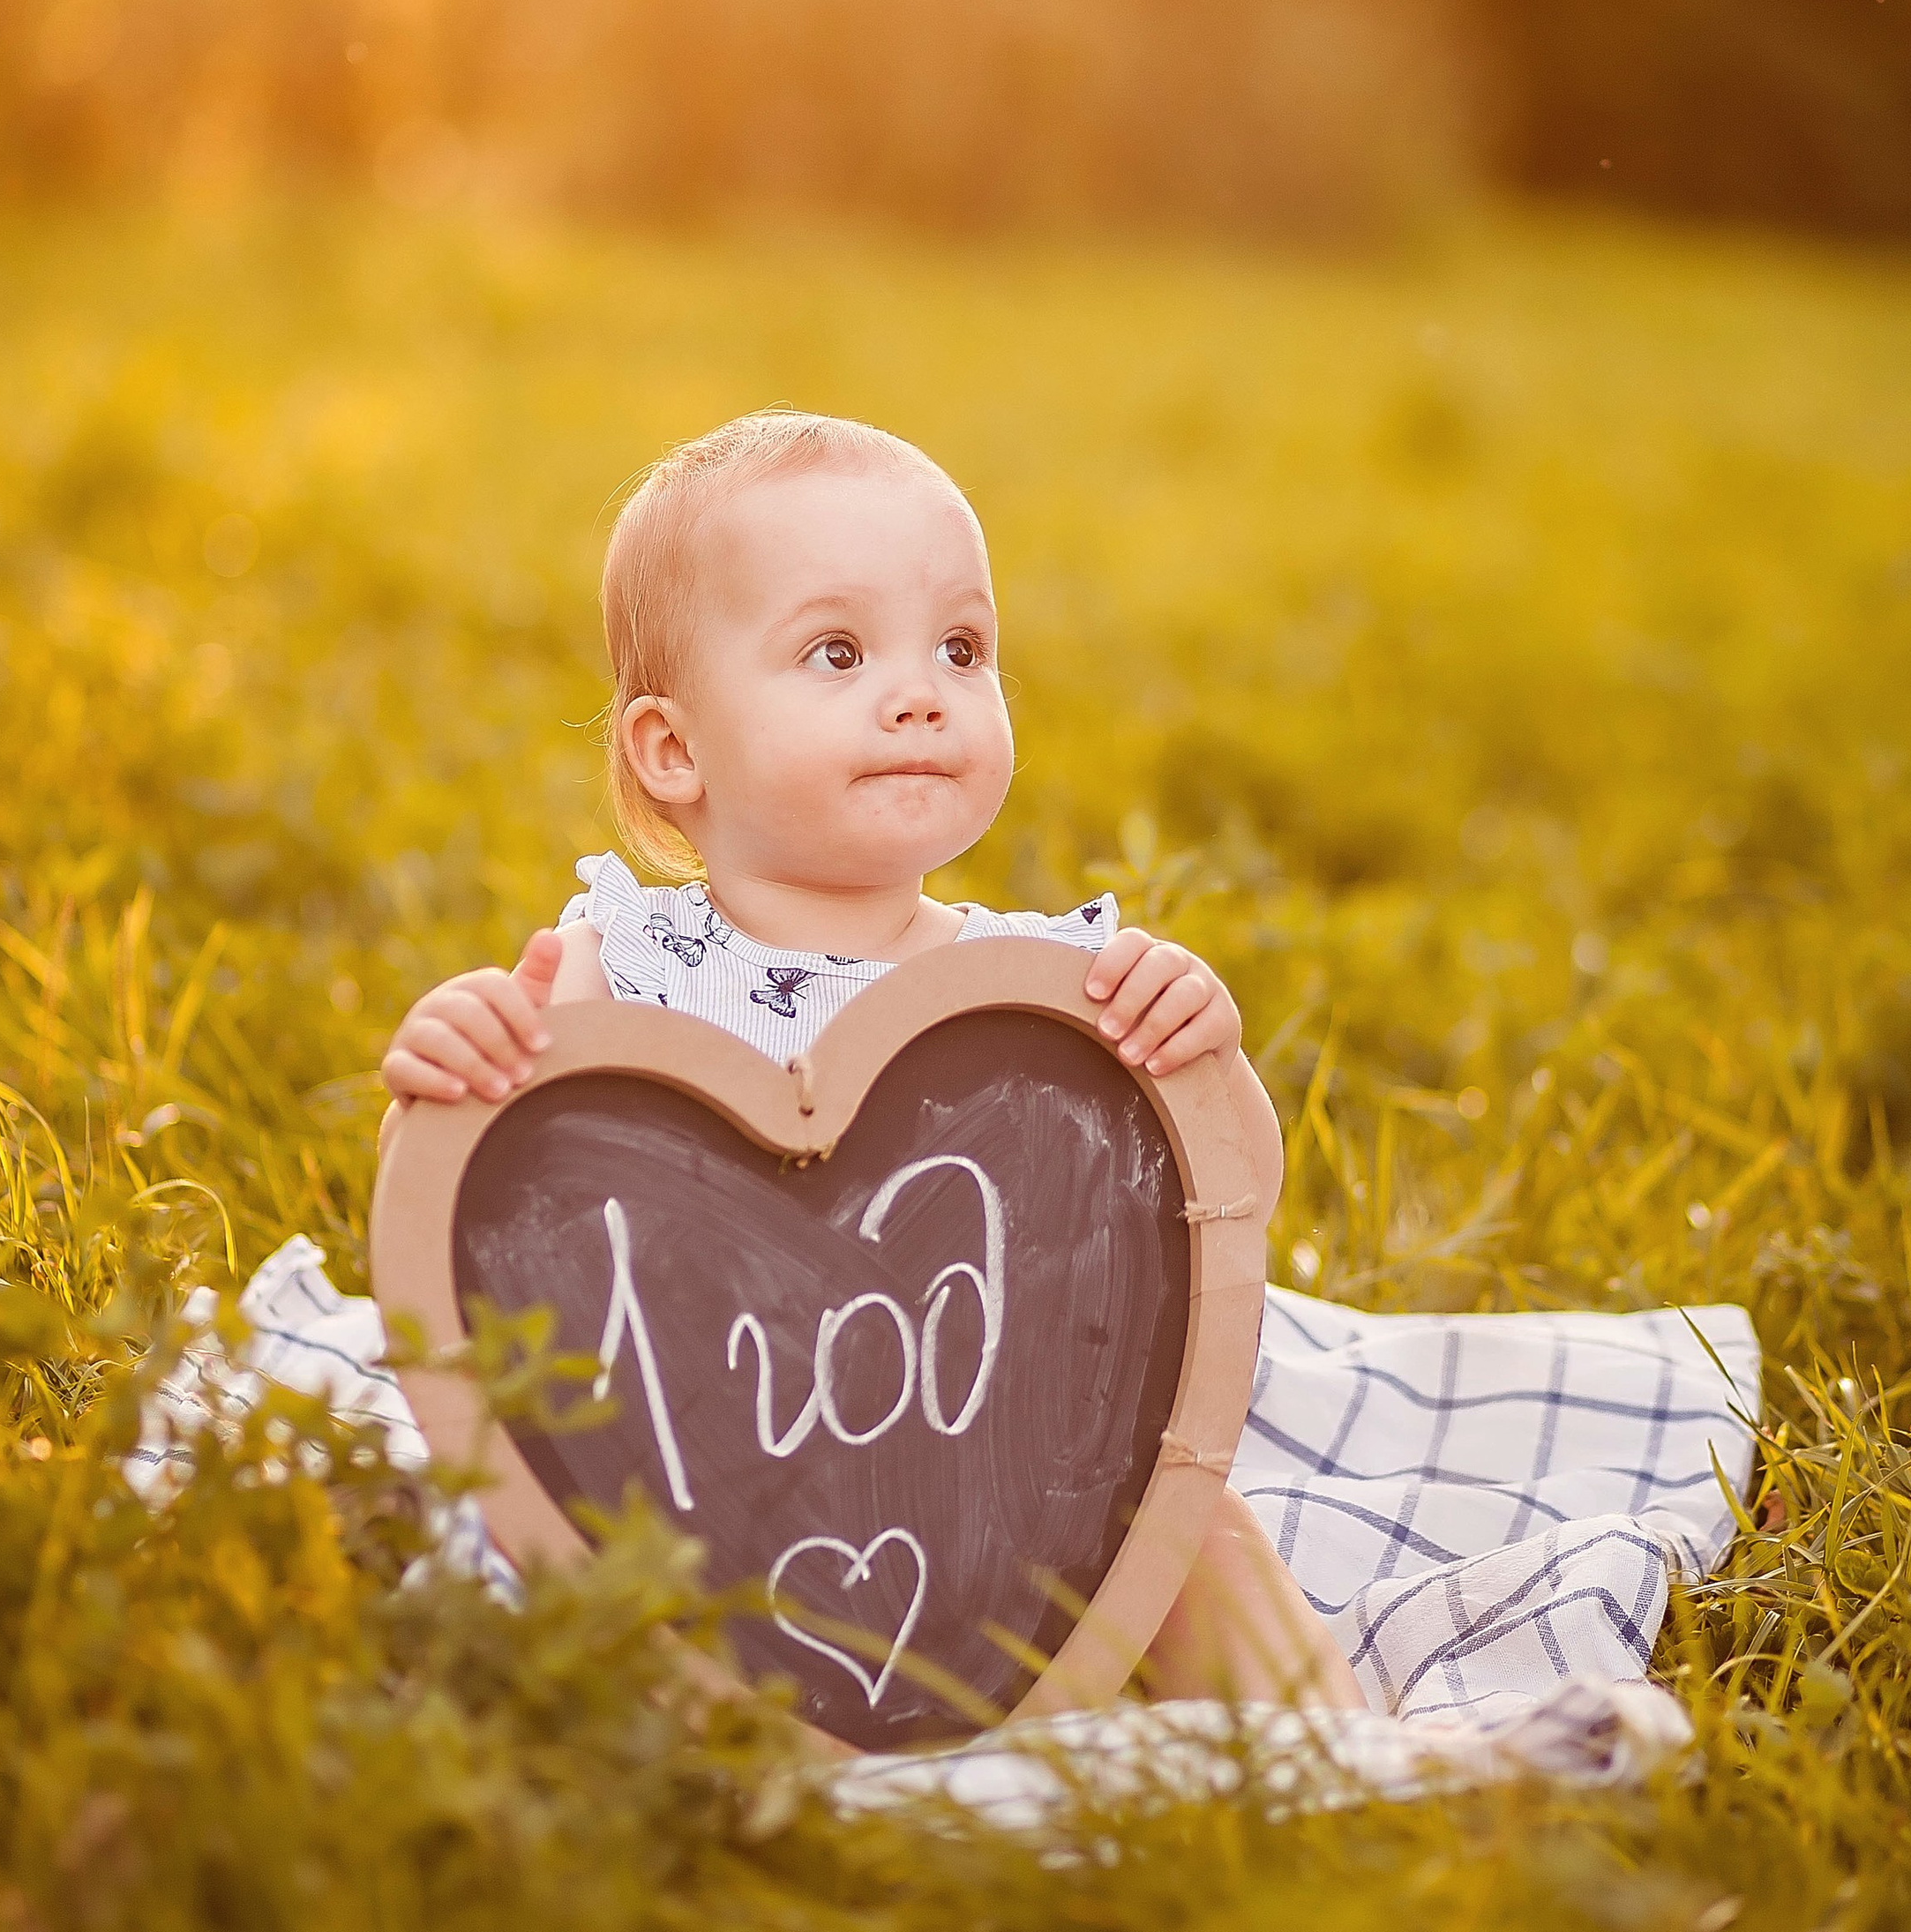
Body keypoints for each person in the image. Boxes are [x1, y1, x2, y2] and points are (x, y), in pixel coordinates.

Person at [382, 407, 1365, 1714]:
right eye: (837, 652)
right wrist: (451, 1080)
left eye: (962, 647)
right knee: (504, 1537)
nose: (920, 692)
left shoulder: (1049, 995)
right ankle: (632, 1752)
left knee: (1184, 1523)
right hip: (696, 1471)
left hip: (1000, 1480)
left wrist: (1204, 1058)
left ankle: (1339, 1773)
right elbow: (466, 1218)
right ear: (673, 751)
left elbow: (1210, 1212)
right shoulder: (621, 966)